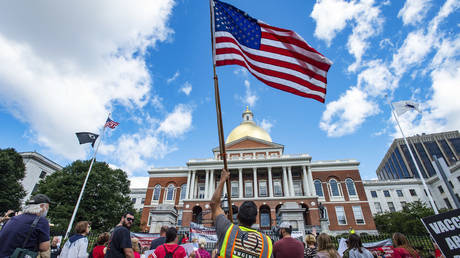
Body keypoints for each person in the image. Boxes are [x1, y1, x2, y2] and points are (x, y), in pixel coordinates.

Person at [210, 169, 273, 258]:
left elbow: (214, 204)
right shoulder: (267, 242)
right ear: (255, 220)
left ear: (238, 217)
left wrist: (222, 180)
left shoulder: (227, 230)